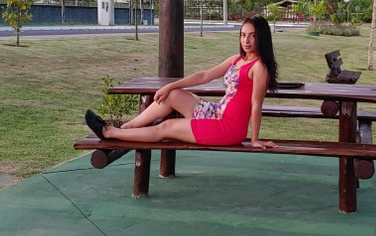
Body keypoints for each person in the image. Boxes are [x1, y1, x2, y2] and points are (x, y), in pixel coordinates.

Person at [85, 15, 278, 148]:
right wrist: (171, 85)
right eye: (243, 35)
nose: (246, 41)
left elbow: (256, 105)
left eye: (252, 36)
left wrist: (254, 140)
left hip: (228, 128)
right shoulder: (237, 59)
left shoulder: (259, 67)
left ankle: (109, 132)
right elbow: (204, 76)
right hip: (216, 113)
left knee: (166, 127)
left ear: (261, 38)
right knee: (172, 95)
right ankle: (127, 128)